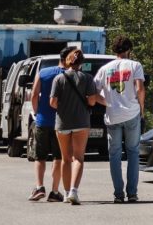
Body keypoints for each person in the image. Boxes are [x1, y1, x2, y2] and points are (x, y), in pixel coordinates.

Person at [92, 36, 146, 204]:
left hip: (112, 116)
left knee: (114, 155)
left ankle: (118, 194)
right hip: (132, 113)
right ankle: (132, 193)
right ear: (129, 49)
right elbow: (140, 88)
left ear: (114, 50)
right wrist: (142, 108)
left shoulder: (104, 69)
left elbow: (93, 93)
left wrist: (107, 102)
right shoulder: (135, 65)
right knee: (133, 152)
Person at [48, 47, 100, 206]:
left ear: (67, 61)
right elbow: (92, 101)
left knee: (65, 158)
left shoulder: (58, 78)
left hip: (63, 122)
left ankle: (65, 193)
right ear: (82, 63)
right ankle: (74, 191)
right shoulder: (87, 78)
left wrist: (64, 107)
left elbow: (52, 102)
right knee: (78, 158)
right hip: (81, 122)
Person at [27, 54, 66, 202]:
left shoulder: (43, 73)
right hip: (61, 122)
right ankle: (54, 192)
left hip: (42, 121)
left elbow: (34, 95)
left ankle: (39, 187)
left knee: (40, 156)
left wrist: (37, 112)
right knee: (58, 157)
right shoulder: (69, 75)